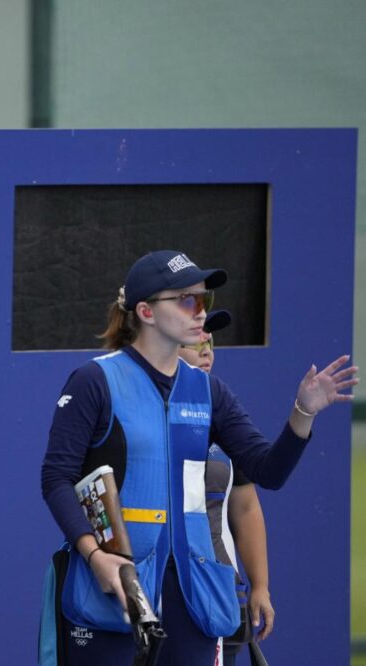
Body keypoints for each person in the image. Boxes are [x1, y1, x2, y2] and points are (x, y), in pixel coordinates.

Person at [38, 250, 356, 665]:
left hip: (196, 594)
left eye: (203, 300)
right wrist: (94, 556)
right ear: (146, 311)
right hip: (115, 588)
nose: (200, 312)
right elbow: (55, 478)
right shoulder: (94, 381)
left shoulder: (210, 390)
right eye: (188, 300)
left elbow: (267, 471)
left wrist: (304, 412)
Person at [178, 311, 273, 666]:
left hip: (221, 596)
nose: (206, 352)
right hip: (158, 594)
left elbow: (246, 507)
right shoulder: (137, 409)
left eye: (210, 344)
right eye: (195, 343)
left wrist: (259, 586)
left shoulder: (222, 411)